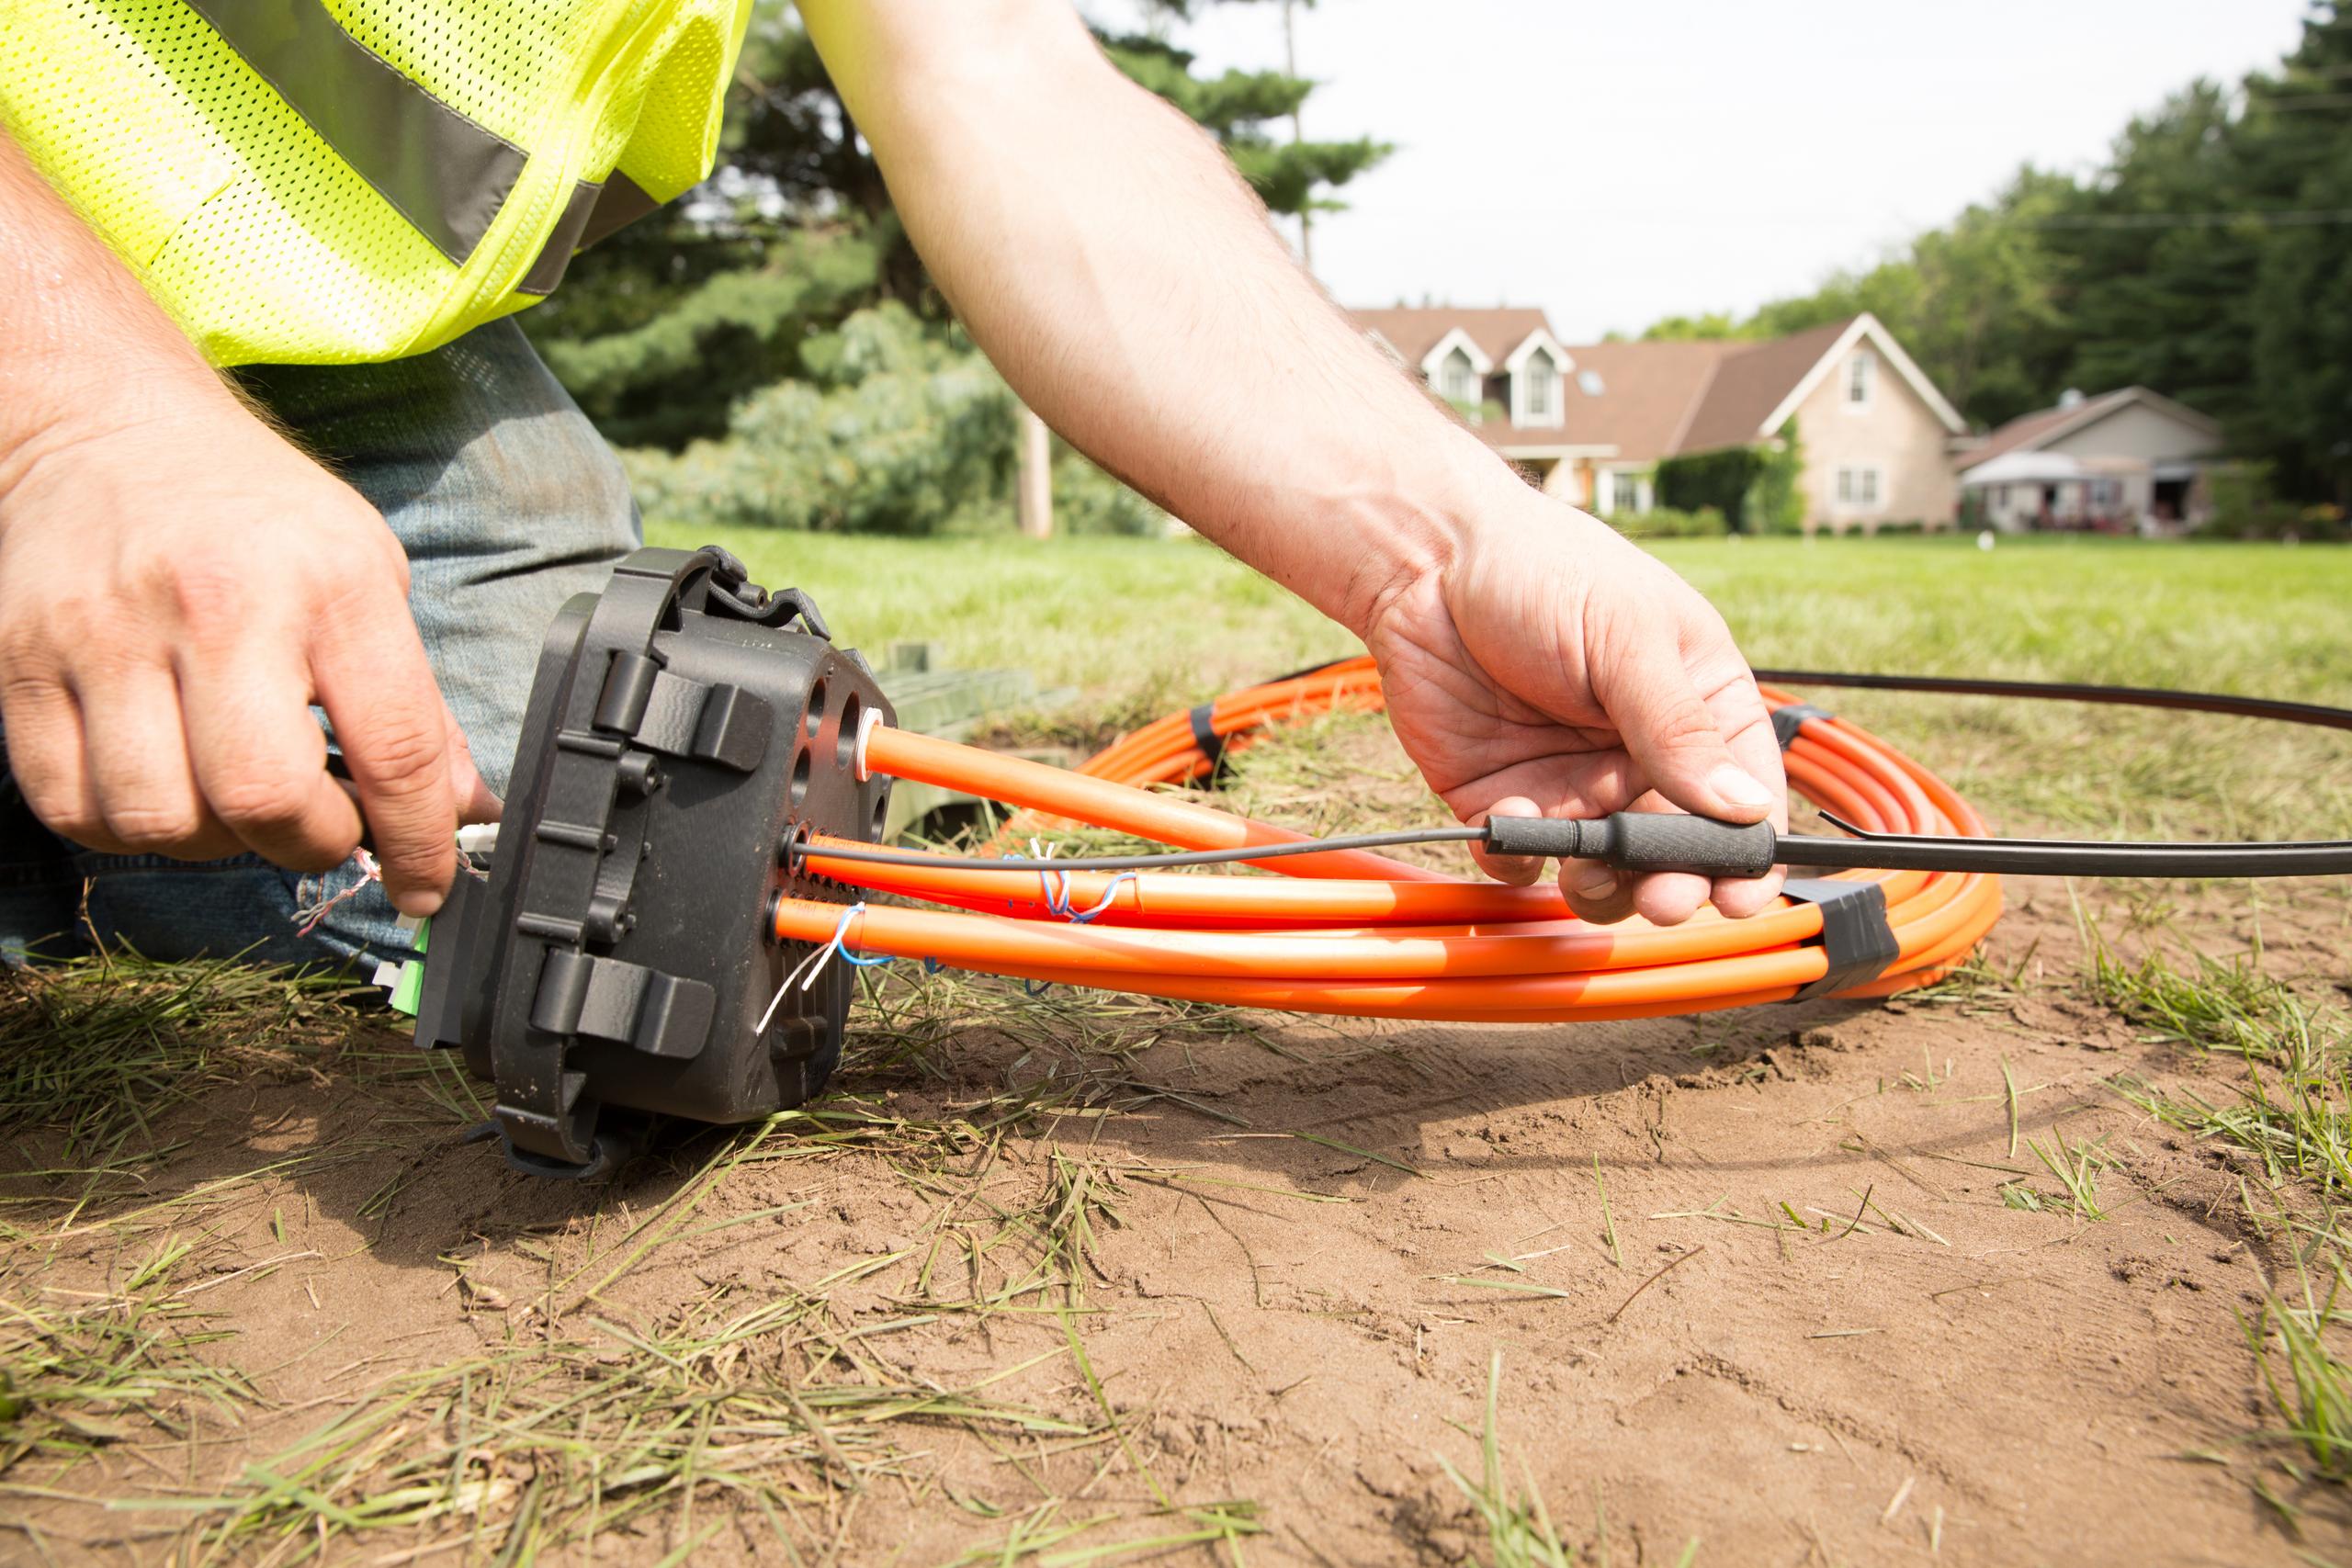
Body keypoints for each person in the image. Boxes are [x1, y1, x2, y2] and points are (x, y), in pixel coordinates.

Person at [0, 0, 1785, 973]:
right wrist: (73, 422)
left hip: (323, 337)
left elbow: (993, 77)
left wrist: (1443, 544)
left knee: (537, 882)